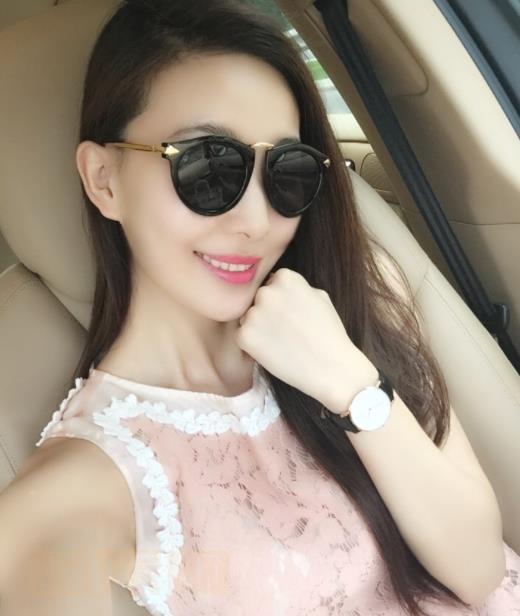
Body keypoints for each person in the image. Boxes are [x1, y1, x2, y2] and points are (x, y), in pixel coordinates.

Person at [2, 0, 519, 614]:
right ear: (103, 179)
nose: (257, 220)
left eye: (287, 173)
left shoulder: (354, 294)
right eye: (209, 167)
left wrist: (354, 387)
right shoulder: (84, 482)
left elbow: (480, 570)